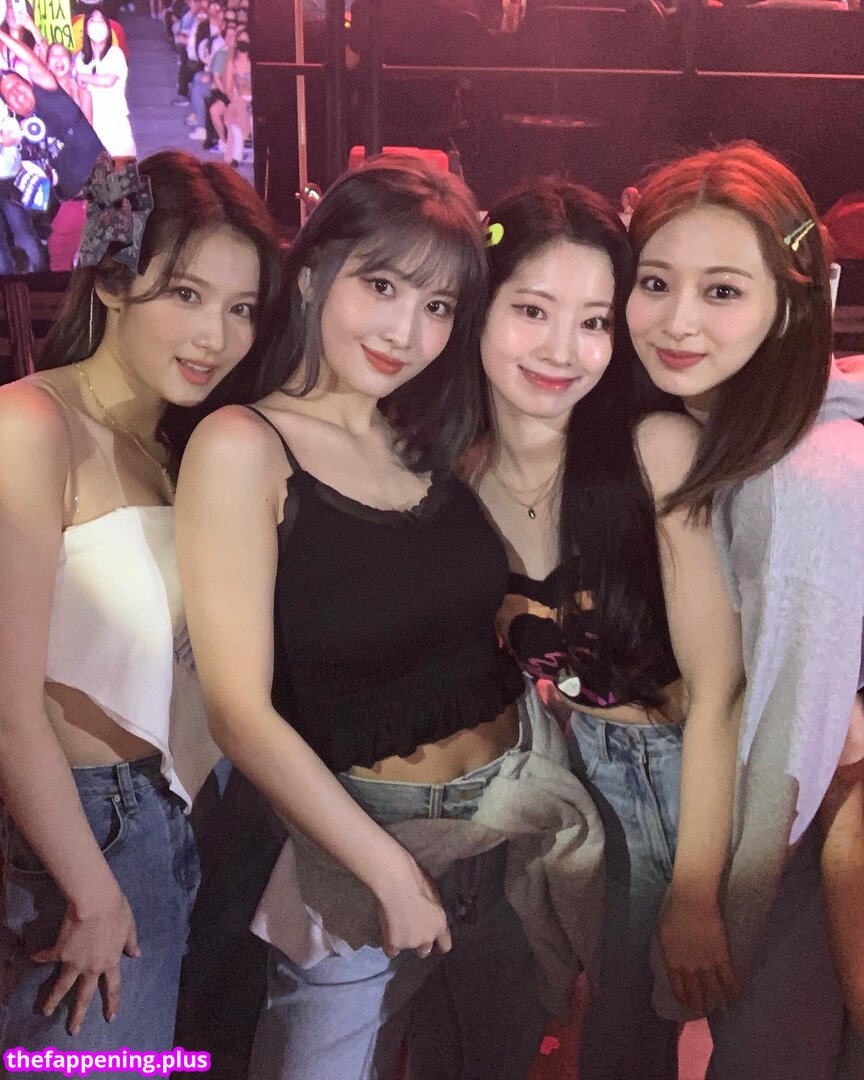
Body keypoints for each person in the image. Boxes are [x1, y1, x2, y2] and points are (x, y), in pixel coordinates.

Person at [175, 154, 604, 1080]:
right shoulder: (243, 445)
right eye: (382, 285)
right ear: (314, 269)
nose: (408, 331)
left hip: (504, 822)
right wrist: (386, 869)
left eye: (439, 305)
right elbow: (237, 711)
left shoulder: (419, 434)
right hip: (362, 845)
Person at [0, 150, 282, 1062]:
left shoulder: (171, 450)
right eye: (187, 294)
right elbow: (7, 709)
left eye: (241, 308)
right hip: (80, 836)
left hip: (166, 815)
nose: (216, 335)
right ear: (113, 282)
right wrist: (92, 890)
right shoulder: (29, 426)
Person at [470, 178, 743, 1080]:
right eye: (532, 310)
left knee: (632, 1042)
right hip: (552, 773)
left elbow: (717, 689)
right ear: (478, 306)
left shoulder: (652, 452)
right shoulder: (455, 471)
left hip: (667, 782)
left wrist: (694, 891)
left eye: (593, 321)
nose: (563, 349)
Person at [626, 140, 864, 1078]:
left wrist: (710, 913)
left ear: (792, 302)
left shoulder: (795, 480)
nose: (678, 320)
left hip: (797, 859)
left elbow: (784, 744)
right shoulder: (749, 435)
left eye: (722, 290)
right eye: (655, 282)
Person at [74, 7, 135, 159]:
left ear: (108, 27)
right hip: (92, 124)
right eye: (92, 21)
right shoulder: (80, 59)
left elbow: (108, 81)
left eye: (100, 21)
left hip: (115, 123)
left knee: (122, 169)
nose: (96, 24)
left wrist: (82, 77)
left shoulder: (115, 54)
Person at [47, 41, 93, 124]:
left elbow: (87, 129)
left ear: (71, 64)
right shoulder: (43, 95)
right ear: (48, 65)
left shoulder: (83, 94)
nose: (59, 59)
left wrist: (76, 99)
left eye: (63, 55)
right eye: (53, 55)